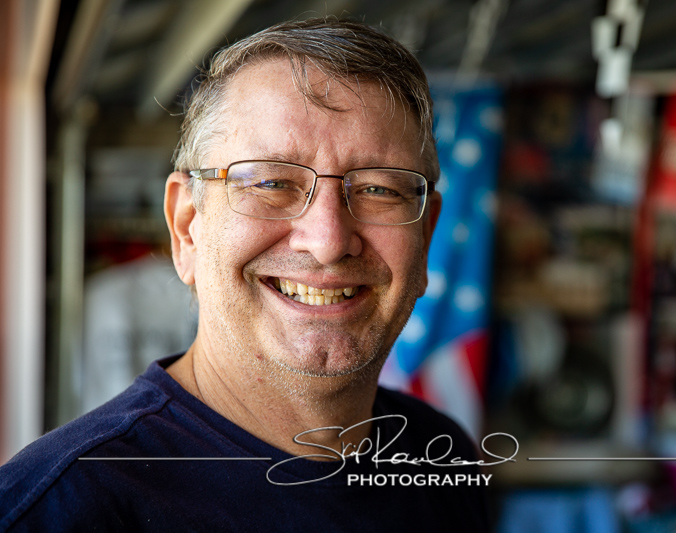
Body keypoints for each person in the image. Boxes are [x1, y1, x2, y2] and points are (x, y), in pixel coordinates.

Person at [0, 17, 491, 532]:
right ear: (187, 228)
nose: (327, 241)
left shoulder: (441, 459)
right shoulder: (57, 512)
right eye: (270, 182)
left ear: (427, 235)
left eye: (379, 190)